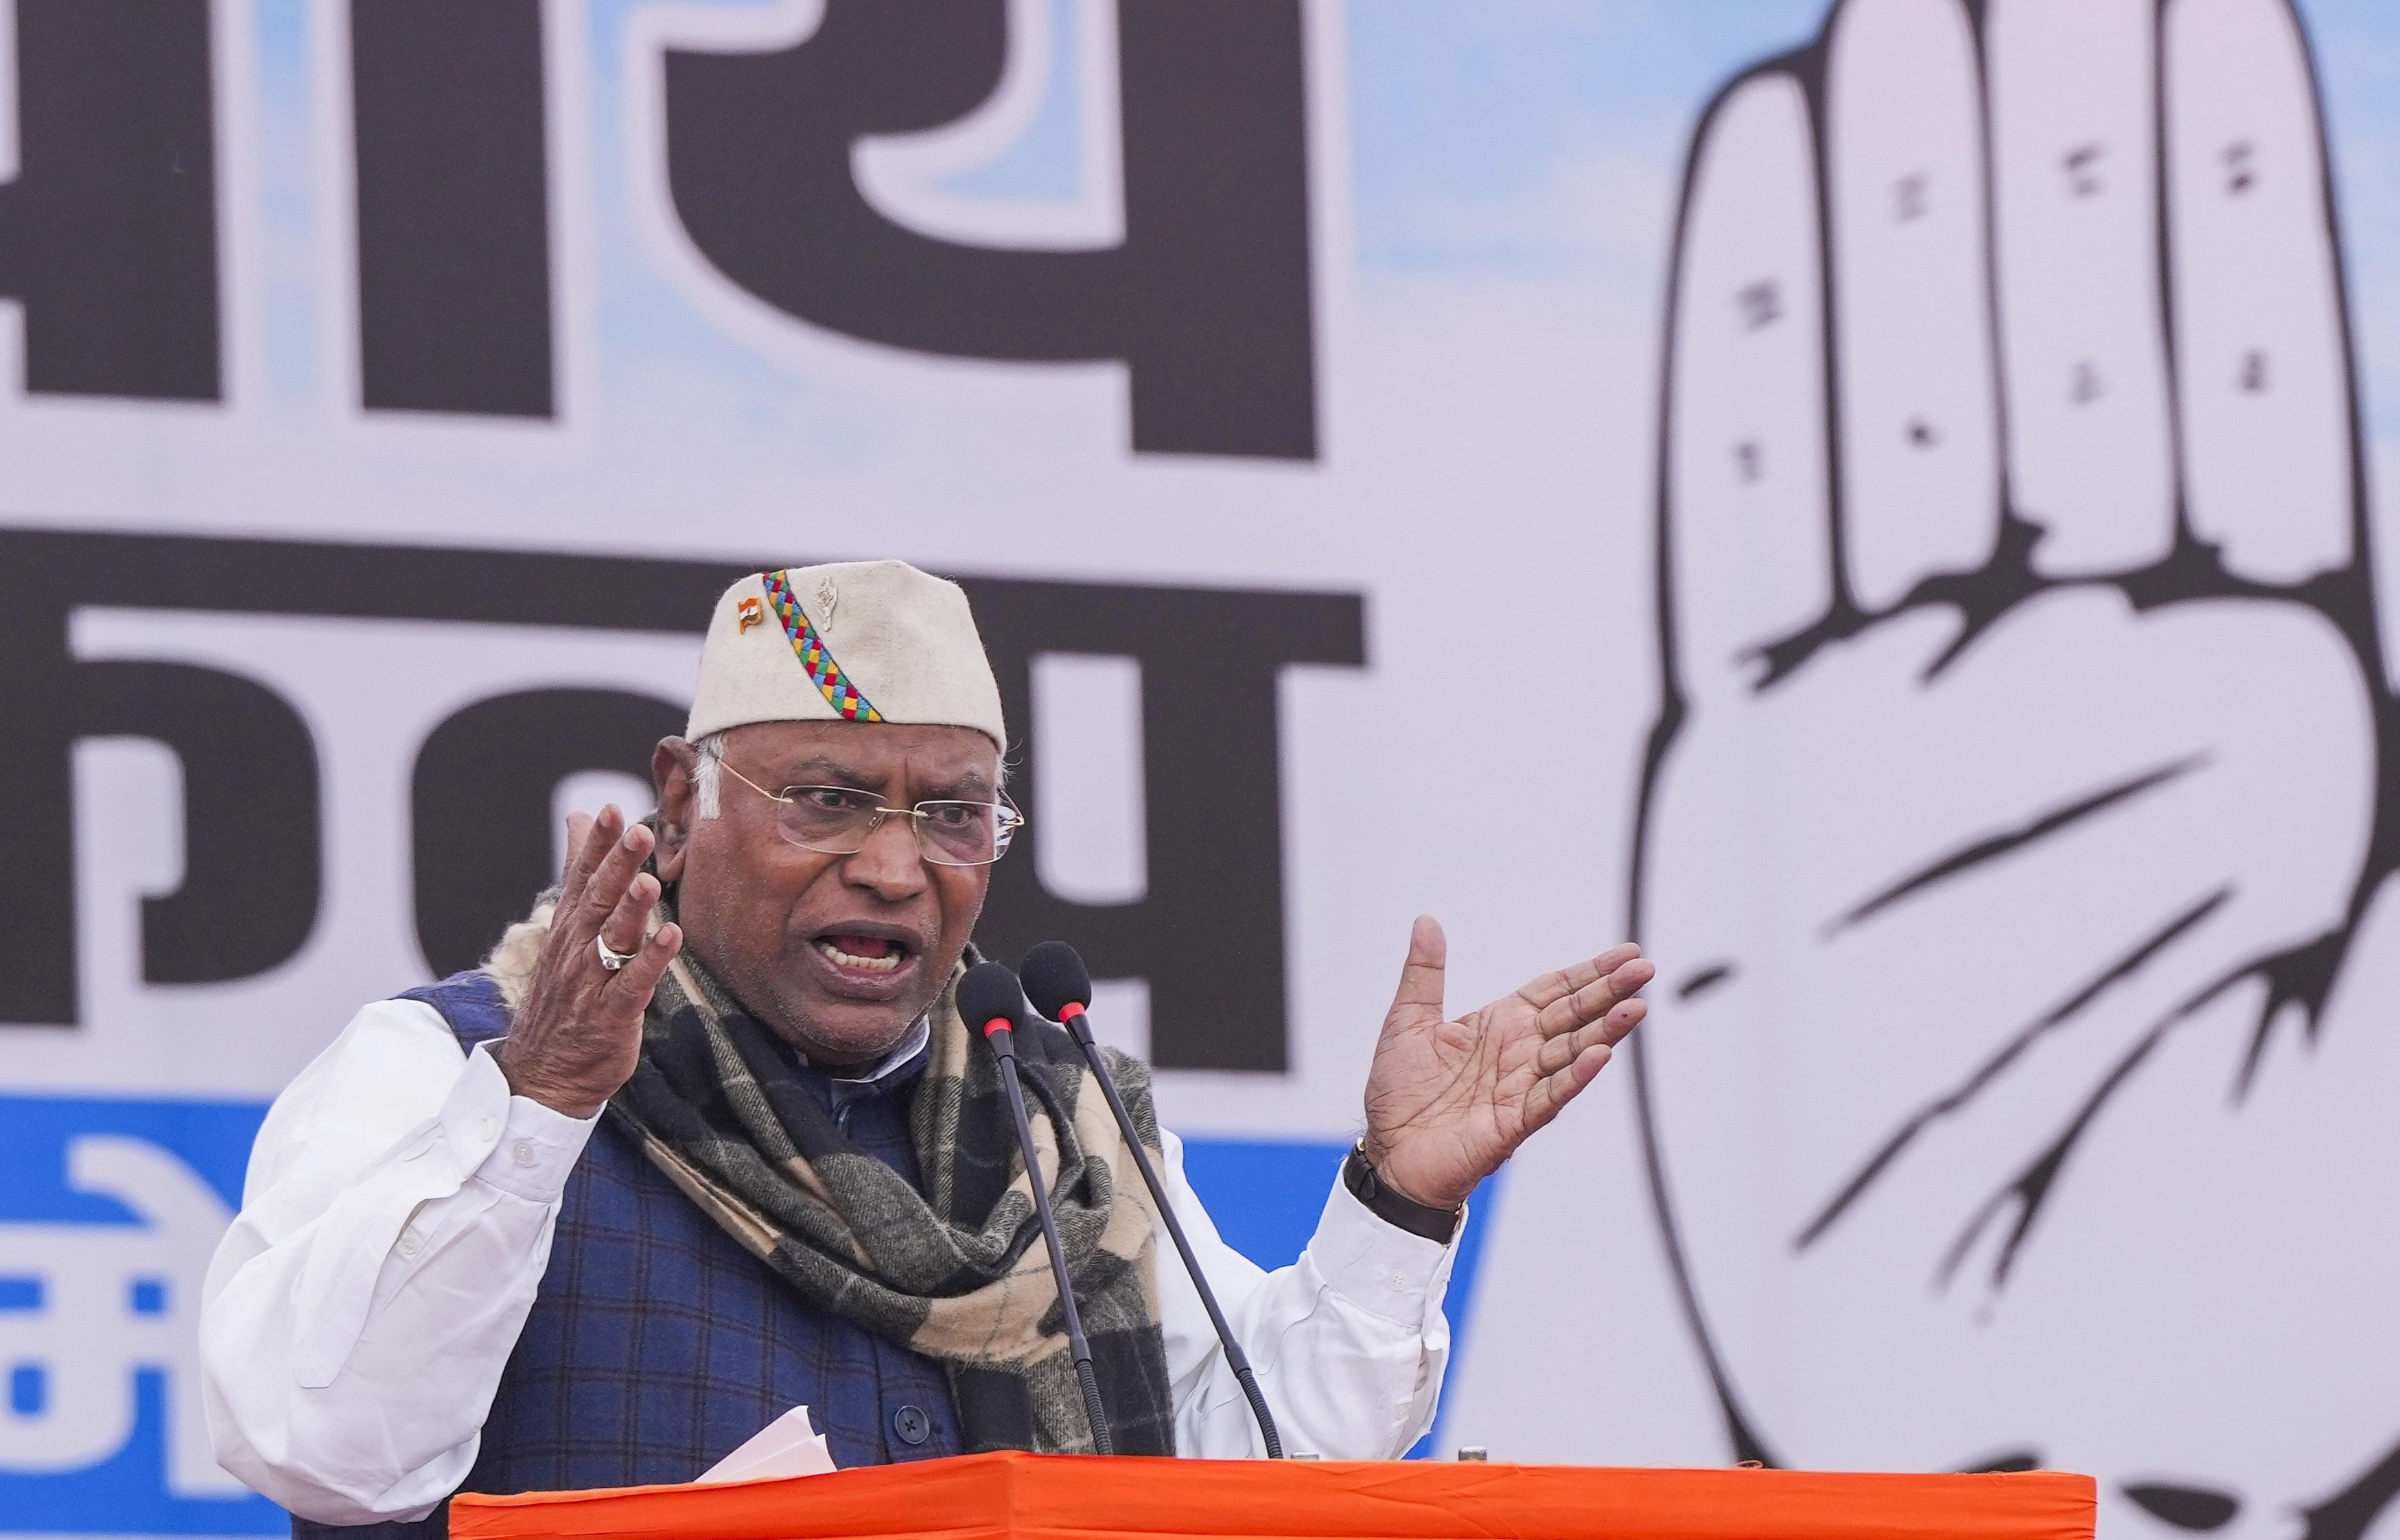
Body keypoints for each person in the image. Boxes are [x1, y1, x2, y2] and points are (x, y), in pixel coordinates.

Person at [200, 560, 1653, 1533]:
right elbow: (324, 1443)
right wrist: (542, 1102)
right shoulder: (454, 1068)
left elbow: (1254, 1472)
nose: (897, 869)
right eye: (827, 799)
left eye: (953, 815)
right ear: (680, 798)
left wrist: (1397, 1202)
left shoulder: (1060, 1120)